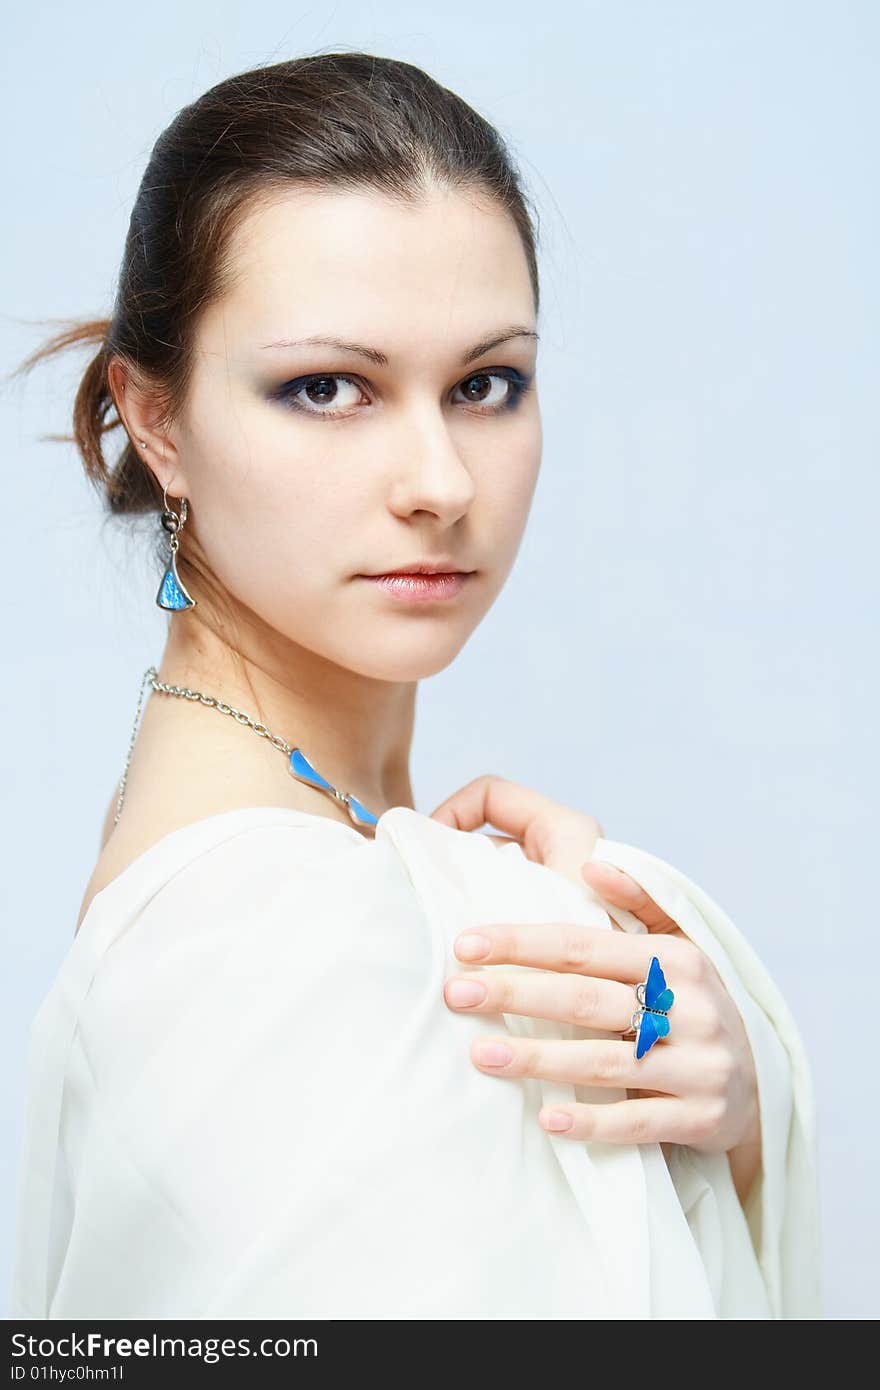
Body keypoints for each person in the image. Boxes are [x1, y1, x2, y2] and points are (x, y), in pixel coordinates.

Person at [7, 51, 821, 1320]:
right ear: (155, 421)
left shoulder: (350, 876)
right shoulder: (278, 944)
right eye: (328, 388)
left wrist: (733, 1111)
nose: (440, 481)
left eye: (485, 383)